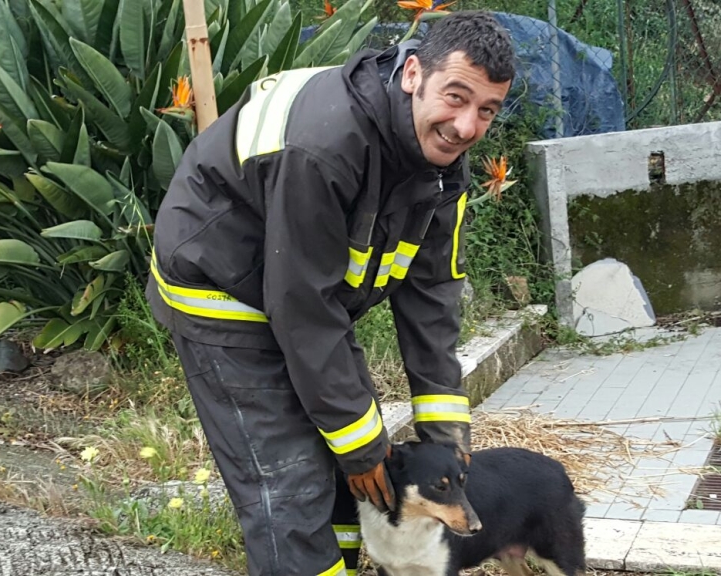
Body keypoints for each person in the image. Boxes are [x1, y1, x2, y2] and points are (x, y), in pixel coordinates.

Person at [146, 10, 515, 575]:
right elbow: (302, 306)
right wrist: (360, 444)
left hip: (304, 300)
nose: (466, 126)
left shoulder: (445, 169)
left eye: (485, 110)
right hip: (219, 292)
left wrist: (445, 433)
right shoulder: (326, 145)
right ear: (413, 73)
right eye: (456, 96)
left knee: (355, 465)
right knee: (291, 485)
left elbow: (433, 301)